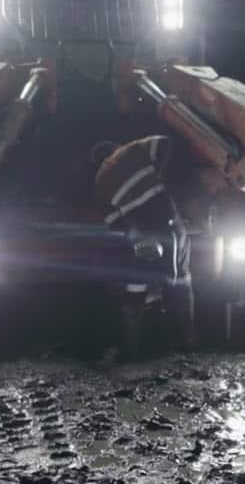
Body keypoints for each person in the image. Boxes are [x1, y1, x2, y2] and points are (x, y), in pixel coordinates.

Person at [91, 136, 194, 355]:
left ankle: (131, 350)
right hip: (168, 221)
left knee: (135, 288)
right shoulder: (129, 150)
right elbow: (165, 143)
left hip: (143, 233)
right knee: (180, 282)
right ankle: (187, 342)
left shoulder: (100, 183)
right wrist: (160, 175)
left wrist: (134, 232)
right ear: (115, 148)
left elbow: (113, 223)